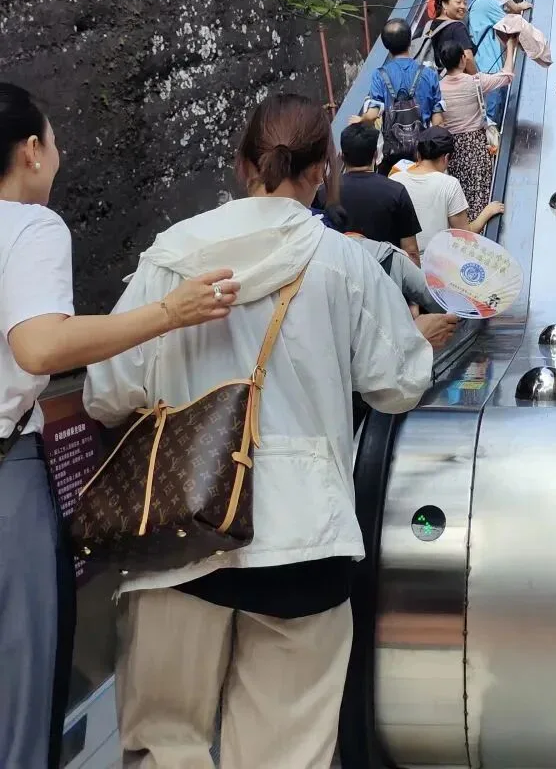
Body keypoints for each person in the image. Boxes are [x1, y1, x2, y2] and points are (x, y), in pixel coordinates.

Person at [83, 93, 458, 768]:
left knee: (166, 747)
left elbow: (108, 391)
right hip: (306, 536)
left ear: (242, 164)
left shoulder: (170, 257)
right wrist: (419, 339)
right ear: (321, 171)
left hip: (180, 531)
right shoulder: (347, 263)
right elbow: (397, 385)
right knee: (286, 752)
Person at [0, 83, 240, 769]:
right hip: (6, 477)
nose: (58, 153)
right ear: (30, 151)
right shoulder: (29, 225)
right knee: (19, 695)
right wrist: (170, 313)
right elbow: (39, 346)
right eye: (53, 140)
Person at [438, 39, 516, 218]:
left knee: (459, 198)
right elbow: (507, 76)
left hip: (451, 149)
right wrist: (510, 47)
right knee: (481, 193)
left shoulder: (438, 87)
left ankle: (464, 227)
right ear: (463, 58)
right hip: (476, 146)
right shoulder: (475, 81)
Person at [398, 128, 504, 252]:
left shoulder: (395, 178)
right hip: (437, 259)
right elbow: (464, 235)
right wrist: (488, 211)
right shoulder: (449, 184)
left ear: (418, 154)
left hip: (401, 259)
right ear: (446, 157)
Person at [360, 19, 444, 168]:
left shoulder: (380, 75)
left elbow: (372, 115)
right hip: (422, 154)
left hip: (392, 156)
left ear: (386, 45)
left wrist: (360, 119)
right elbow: (438, 121)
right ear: (410, 40)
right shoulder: (429, 74)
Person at [336, 123, 422, 264]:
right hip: (386, 273)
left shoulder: (324, 193)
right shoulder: (396, 191)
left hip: (341, 272)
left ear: (342, 156)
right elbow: (411, 251)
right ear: (375, 155)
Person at [468, 0, 523, 120]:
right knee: (493, 115)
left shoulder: (478, 3)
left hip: (485, 66)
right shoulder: (485, 2)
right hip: (490, 68)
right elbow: (512, 25)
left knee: (491, 113)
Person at [426, 0, 475, 69]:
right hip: (456, 76)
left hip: (433, 75)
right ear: (444, 4)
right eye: (458, 2)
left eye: (465, 3)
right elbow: (468, 58)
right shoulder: (457, 27)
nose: (463, 6)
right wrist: (475, 76)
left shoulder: (428, 26)